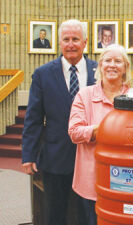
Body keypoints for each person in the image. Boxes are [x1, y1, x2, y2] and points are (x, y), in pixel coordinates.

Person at [22, 19, 97, 225]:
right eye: (66, 39)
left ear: (85, 42)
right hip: (55, 158)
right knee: (55, 214)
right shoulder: (43, 74)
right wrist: (28, 154)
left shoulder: (99, 71)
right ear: (59, 43)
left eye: (75, 39)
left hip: (91, 158)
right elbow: (34, 118)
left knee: (88, 216)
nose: (71, 44)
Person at [68, 44, 131, 225]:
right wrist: (101, 130)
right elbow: (74, 132)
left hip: (128, 179)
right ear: (100, 65)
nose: (112, 65)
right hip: (92, 181)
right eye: (108, 60)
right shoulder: (84, 95)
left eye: (118, 61)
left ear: (125, 67)